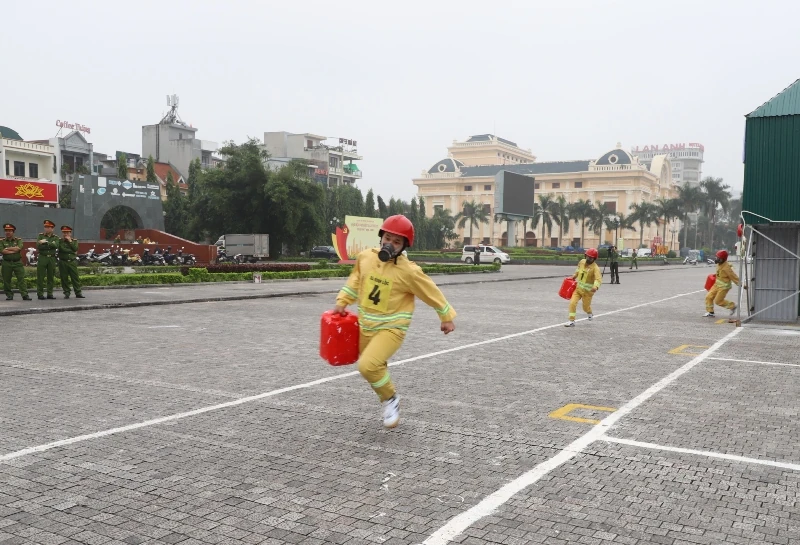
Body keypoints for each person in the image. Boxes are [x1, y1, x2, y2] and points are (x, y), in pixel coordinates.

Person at [333, 215, 456, 428]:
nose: (390, 244)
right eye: (387, 238)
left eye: (397, 242)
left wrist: (446, 317)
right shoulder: (365, 258)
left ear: (404, 246)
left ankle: (390, 399)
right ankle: (388, 396)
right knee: (373, 366)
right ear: (381, 237)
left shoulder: (409, 271)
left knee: (367, 366)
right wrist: (342, 301)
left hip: (392, 329)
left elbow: (430, 292)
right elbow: (354, 281)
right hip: (366, 326)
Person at [565, 248, 602, 327]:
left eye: (590, 258)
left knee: (585, 307)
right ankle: (571, 321)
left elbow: (598, 279)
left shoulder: (595, 268)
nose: (588, 259)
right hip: (578, 289)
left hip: (588, 292)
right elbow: (578, 270)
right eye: (587, 257)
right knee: (572, 303)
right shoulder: (582, 262)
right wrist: (574, 276)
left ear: (594, 259)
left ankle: (589, 312)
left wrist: (595, 286)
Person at [704, 250, 743, 317]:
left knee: (718, 301)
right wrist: (715, 275)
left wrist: (741, 284)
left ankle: (732, 306)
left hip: (723, 287)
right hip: (716, 285)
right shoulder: (719, 264)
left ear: (723, 259)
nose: (717, 259)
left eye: (719, 258)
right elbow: (720, 273)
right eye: (717, 257)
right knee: (708, 297)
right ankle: (710, 312)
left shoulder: (727, 268)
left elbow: (733, 277)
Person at [1, 223, 30, 301]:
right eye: (6, 231)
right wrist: (13, 250)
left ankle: (24, 294)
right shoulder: (2, 241)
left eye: (9, 231)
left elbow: (19, 248)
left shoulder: (18, 240)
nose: (7, 232)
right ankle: (9, 295)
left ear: (13, 232)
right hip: (6, 262)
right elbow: (2, 251)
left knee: (21, 279)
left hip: (17, 262)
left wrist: (7, 249)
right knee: (6, 280)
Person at [58, 226, 84, 299]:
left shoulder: (74, 241)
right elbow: (62, 249)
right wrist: (72, 251)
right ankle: (66, 292)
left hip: (72, 262)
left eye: (67, 232)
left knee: (75, 278)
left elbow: (75, 248)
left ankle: (78, 292)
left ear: (70, 233)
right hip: (63, 261)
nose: (66, 234)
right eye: (64, 232)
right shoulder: (60, 241)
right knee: (64, 278)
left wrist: (70, 242)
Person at [36, 220, 60, 300]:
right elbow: (38, 246)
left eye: (49, 227)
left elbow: (56, 245)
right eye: (45, 227)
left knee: (51, 276)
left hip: (52, 258)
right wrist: (50, 244)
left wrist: (46, 243)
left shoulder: (56, 237)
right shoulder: (40, 236)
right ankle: (40, 294)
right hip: (43, 257)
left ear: (52, 229)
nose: (46, 229)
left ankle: (50, 294)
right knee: (40, 276)